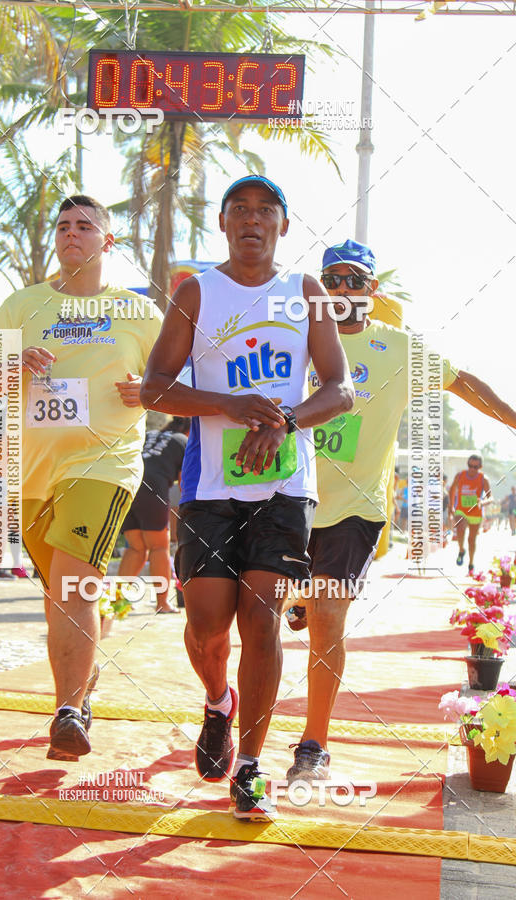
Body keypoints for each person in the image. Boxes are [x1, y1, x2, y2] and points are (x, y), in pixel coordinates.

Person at [141, 175, 354, 820]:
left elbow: (340, 390)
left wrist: (284, 419)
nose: (253, 220)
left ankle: (253, 767)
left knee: (260, 621)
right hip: (209, 487)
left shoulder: (307, 294)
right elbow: (154, 388)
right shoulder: (196, 293)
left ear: (284, 226)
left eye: (267, 212)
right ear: (224, 223)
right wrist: (227, 404)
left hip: (286, 486)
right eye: (241, 211)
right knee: (207, 627)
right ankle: (217, 702)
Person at [284, 238, 516, 785]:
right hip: (287, 500)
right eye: (332, 280)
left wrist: (512, 420)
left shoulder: (400, 349)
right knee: (259, 614)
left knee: (327, 619)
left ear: (372, 290)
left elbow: (463, 384)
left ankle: (313, 745)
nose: (342, 290)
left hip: (353, 510)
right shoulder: (294, 339)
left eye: (354, 281)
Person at [0, 195, 162, 761]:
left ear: (108, 241)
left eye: (84, 226)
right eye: (62, 226)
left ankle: (67, 712)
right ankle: (84, 682)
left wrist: (147, 390)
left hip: (105, 464)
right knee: (65, 593)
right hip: (31, 477)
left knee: (74, 583)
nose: (71, 234)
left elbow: (176, 382)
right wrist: (11, 363)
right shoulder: (22, 305)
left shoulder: (138, 313)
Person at [118, 416, 190, 613]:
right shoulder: (183, 441)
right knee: (159, 547)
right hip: (152, 488)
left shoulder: (149, 435)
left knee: (136, 548)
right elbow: (186, 483)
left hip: (127, 484)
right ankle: (162, 603)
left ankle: (117, 599)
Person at [449, 455, 492, 574]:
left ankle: (471, 563)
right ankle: (461, 550)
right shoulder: (460, 476)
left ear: (480, 467)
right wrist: (451, 506)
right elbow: (452, 490)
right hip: (461, 510)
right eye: (470, 466)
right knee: (460, 528)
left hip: (476, 512)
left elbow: (490, 497)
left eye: (475, 467)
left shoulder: (484, 479)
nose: (472, 469)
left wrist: (482, 502)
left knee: (471, 540)